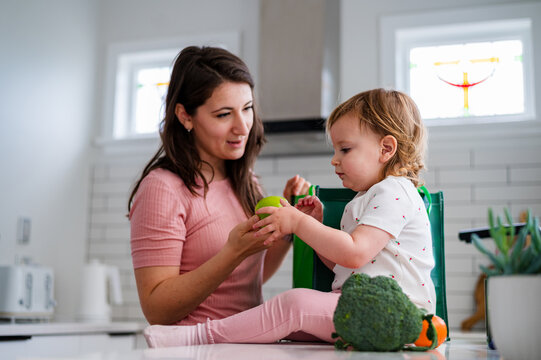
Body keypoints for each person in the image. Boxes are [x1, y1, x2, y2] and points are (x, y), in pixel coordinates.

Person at [143, 88, 436, 347]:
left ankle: (198, 336)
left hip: (395, 310)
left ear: (386, 148)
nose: (334, 159)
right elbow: (342, 265)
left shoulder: (393, 191)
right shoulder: (367, 198)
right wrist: (316, 227)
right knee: (293, 326)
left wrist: (298, 223)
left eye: (345, 149)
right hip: (367, 308)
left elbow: (355, 253)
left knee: (295, 304)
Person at [129, 46, 310, 328]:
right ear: (185, 116)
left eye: (247, 109)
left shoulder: (245, 179)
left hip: (243, 344)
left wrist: (288, 229)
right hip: (192, 349)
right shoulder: (162, 189)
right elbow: (157, 309)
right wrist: (232, 252)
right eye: (224, 114)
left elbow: (248, 279)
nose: (242, 127)